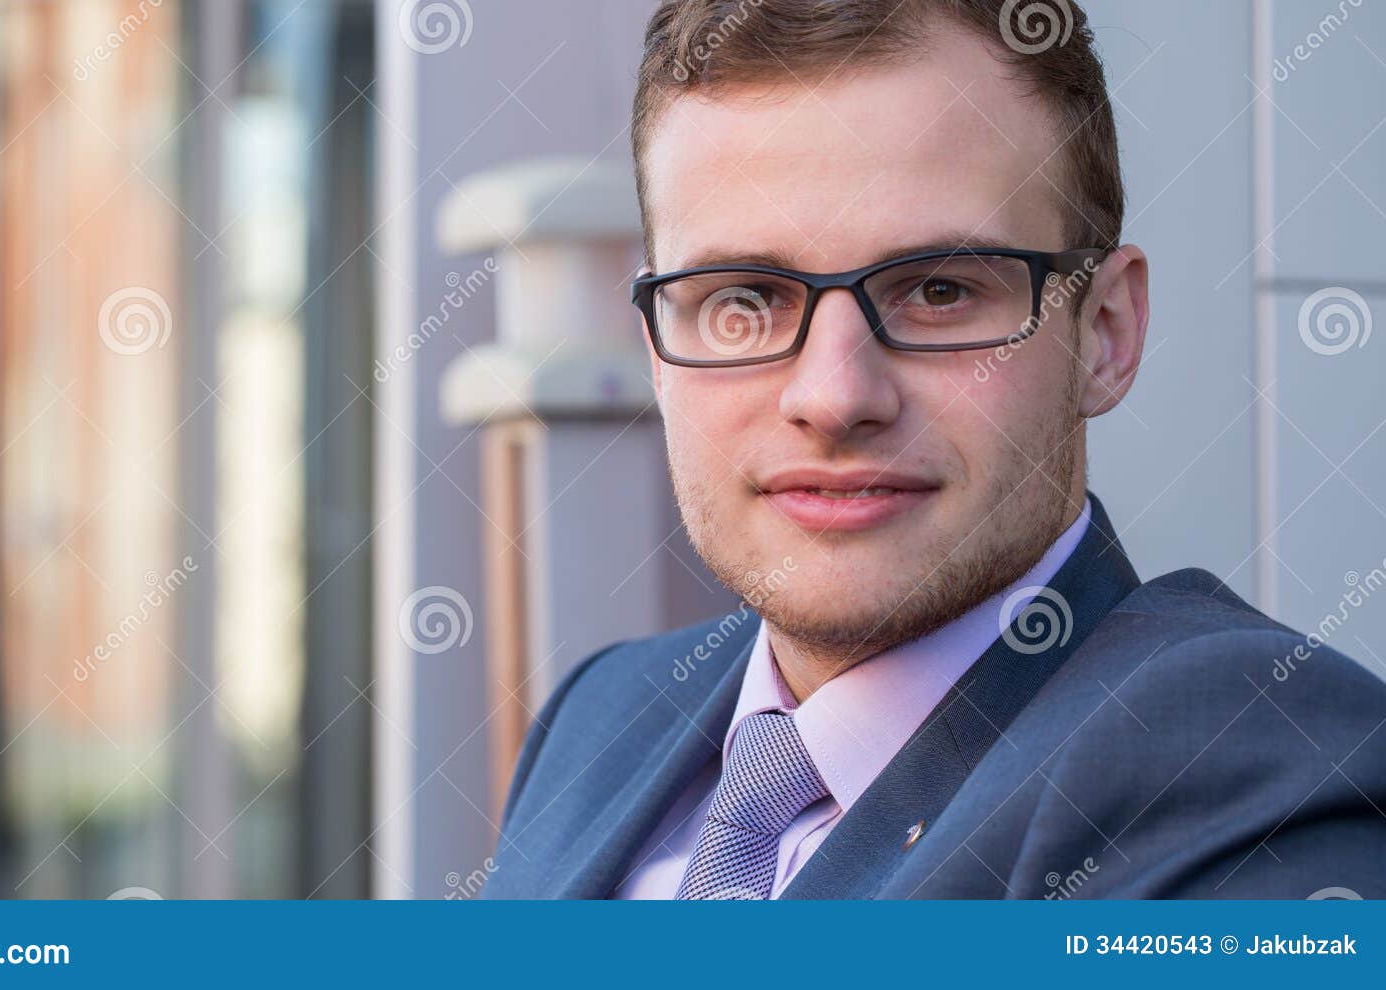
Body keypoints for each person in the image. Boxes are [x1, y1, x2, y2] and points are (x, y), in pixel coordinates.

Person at [482, 0, 1386, 899]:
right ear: (657, 349)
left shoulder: (1253, 764)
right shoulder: (596, 720)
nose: (834, 399)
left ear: (1104, 334)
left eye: (942, 290)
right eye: (744, 299)